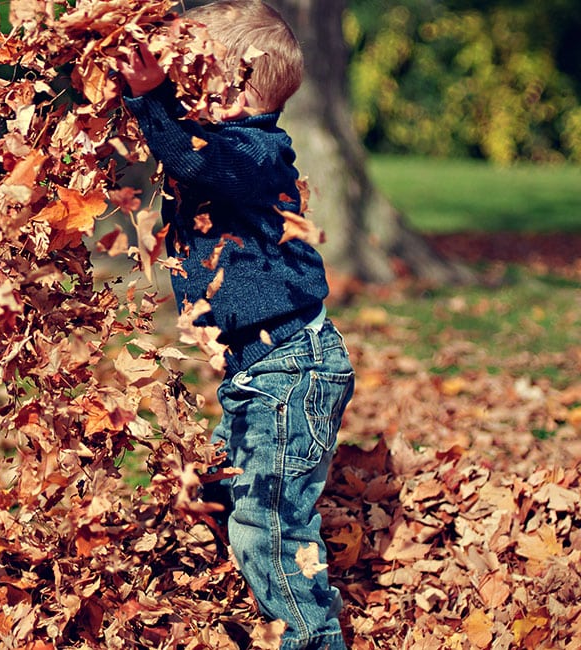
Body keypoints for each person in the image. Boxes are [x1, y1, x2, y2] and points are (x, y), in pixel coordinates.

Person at [117, 2, 356, 649]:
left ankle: (312, 638)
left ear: (233, 86)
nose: (178, 93)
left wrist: (151, 102)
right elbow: (175, 145)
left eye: (191, 79)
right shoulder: (220, 146)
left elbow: (192, 158)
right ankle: (239, 602)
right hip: (258, 374)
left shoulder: (254, 152)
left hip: (289, 372)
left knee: (267, 525)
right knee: (220, 491)